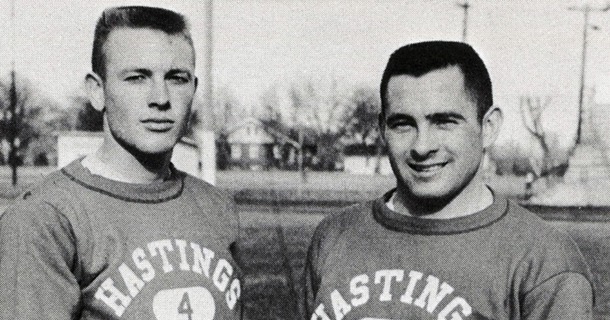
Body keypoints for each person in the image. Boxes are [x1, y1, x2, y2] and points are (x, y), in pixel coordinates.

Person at [303, 41, 593, 320]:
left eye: (444, 122)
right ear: (382, 129)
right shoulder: (334, 236)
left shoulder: (544, 262)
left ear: (488, 127)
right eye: (403, 124)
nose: (422, 146)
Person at [0, 6, 242, 319]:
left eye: (176, 78)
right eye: (137, 78)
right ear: (97, 91)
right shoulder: (44, 220)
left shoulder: (217, 206)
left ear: (193, 89)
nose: (160, 98)